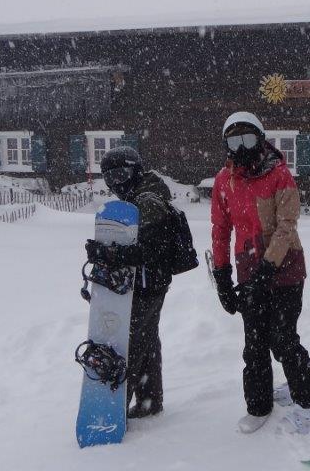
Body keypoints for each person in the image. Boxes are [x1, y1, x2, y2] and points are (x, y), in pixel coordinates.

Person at [210, 111, 310, 435]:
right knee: (255, 342)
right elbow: (220, 230)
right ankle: (258, 404)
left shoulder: (279, 175)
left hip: (285, 267)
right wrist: (222, 276)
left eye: (248, 140)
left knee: (283, 338)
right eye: (234, 142)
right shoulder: (224, 181)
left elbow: (287, 225)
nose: (242, 148)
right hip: (248, 269)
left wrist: (267, 267)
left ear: (260, 141)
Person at [84, 146, 181, 418]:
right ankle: (150, 400)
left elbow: (149, 251)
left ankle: (114, 407)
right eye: (110, 178)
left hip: (149, 283)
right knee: (146, 340)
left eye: (121, 174)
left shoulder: (147, 201)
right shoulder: (139, 196)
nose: (116, 183)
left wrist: (108, 254)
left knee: (128, 344)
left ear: (135, 170)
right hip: (150, 282)